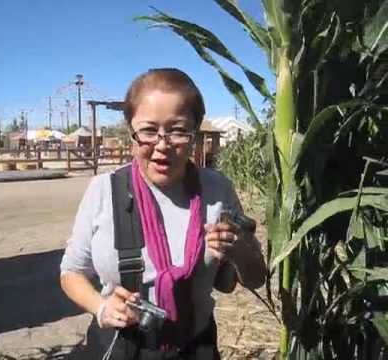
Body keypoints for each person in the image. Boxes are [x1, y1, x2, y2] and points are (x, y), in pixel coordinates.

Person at [60, 68, 266, 359]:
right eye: (148, 130)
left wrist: (241, 249)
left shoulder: (218, 190)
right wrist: (101, 307)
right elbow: (71, 272)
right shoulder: (103, 191)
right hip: (120, 346)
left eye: (177, 130)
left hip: (196, 347)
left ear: (195, 132)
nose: (162, 145)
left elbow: (253, 278)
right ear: (131, 130)